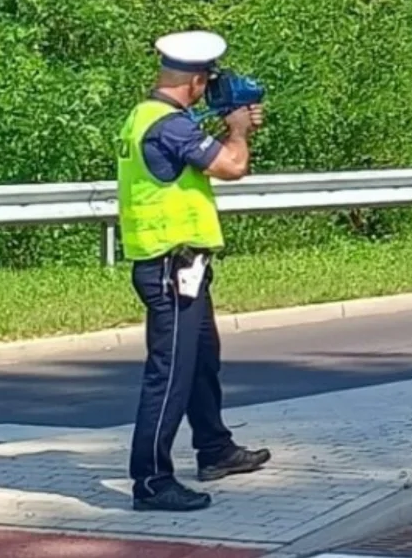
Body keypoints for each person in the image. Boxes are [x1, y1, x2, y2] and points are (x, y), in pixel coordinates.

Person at [117, 30, 270, 512]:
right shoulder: (171, 126)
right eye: (208, 81)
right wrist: (239, 130)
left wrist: (227, 126)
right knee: (170, 374)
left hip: (181, 264)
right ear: (197, 80)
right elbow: (231, 167)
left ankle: (215, 449)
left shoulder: (151, 116)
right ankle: (151, 480)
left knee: (202, 360)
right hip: (169, 264)